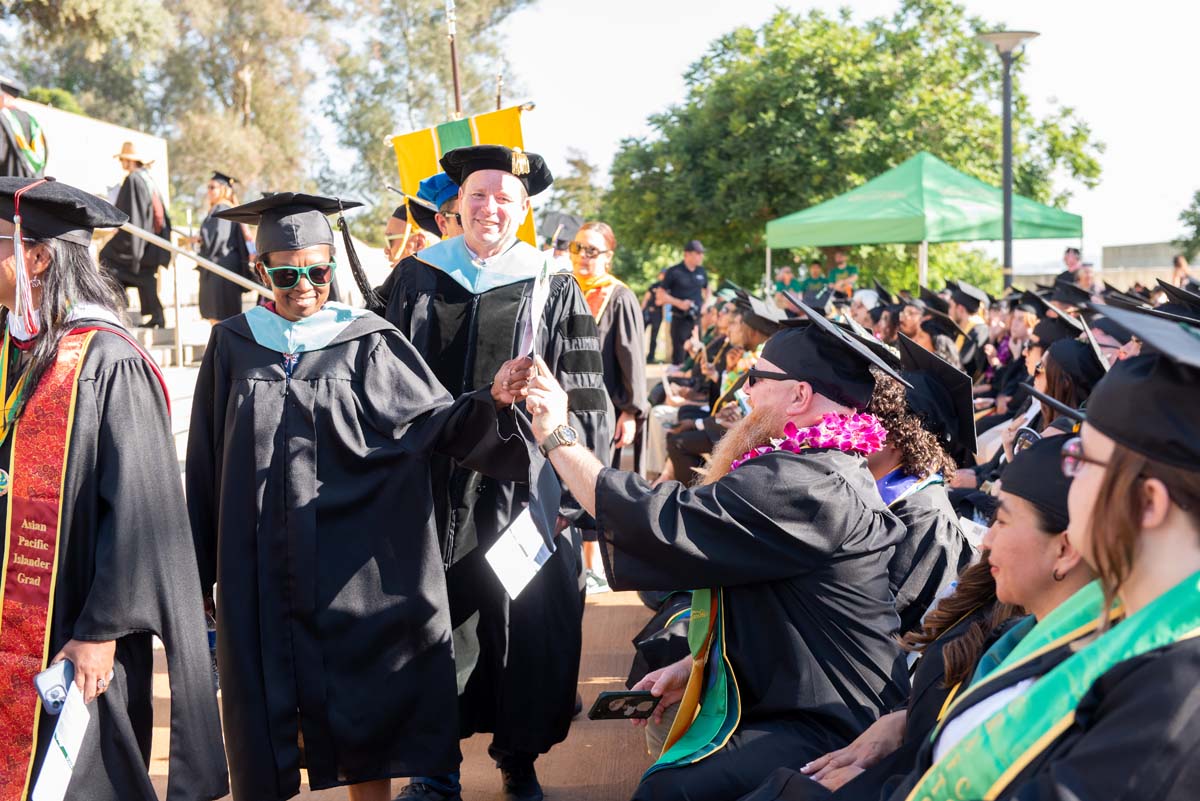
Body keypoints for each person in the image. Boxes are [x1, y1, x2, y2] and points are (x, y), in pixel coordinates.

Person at [188, 191, 536, 801]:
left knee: (361, 707)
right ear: (261, 271)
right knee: (259, 708)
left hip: (347, 567)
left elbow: (435, 424)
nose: (304, 286)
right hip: (258, 567)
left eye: (318, 272)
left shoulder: (366, 339)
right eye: (287, 272)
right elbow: (206, 462)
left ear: (332, 268)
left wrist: (492, 397)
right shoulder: (234, 343)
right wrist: (198, 570)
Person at [522, 306, 913, 801]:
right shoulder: (825, 467)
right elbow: (777, 602)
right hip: (801, 692)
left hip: (831, 722)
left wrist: (559, 437)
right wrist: (694, 665)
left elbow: (663, 519)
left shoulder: (808, 484)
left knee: (670, 792)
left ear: (799, 395)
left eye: (757, 377)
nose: (746, 391)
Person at [894, 306, 1200, 800]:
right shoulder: (1116, 616)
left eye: (1082, 460)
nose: (1065, 473)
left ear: (1147, 503)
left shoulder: (1174, 704)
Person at [385, 145, 611, 801]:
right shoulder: (417, 276)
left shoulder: (551, 282)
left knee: (525, 620)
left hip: (523, 484)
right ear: (455, 204)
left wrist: (578, 482)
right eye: (478, 195)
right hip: (432, 479)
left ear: (524, 209)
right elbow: (382, 382)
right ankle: (435, 768)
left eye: (505, 197)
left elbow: (587, 392)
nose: (490, 207)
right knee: (434, 621)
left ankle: (519, 758)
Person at [0, 177, 226, 800]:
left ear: (36, 257)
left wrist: (100, 630)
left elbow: (138, 512)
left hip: (74, 630)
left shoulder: (106, 360)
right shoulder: (14, 349)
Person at [742, 434, 1091, 801]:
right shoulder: (1003, 612)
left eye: (1002, 522)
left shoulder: (1072, 681)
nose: (986, 541)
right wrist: (903, 718)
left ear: (1065, 549)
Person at [866, 337, 974, 635]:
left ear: (901, 437)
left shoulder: (927, 519)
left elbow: (886, 618)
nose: (854, 427)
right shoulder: (872, 484)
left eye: (870, 419)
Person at [570, 220, 647, 591]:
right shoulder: (564, 288)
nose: (583, 257)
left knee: (595, 480)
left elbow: (631, 357)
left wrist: (630, 411)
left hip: (602, 410)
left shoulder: (618, 296)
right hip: (566, 406)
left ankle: (596, 565)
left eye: (592, 250)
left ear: (609, 256)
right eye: (578, 248)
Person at [98, 142, 172, 328]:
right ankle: (156, 316)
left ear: (130, 161)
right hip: (150, 242)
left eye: (123, 159)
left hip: (138, 240)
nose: (122, 162)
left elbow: (129, 212)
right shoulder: (148, 179)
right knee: (144, 276)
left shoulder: (133, 179)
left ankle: (120, 303)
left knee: (106, 257)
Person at [195, 171, 252, 323]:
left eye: (212, 187)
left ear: (224, 189)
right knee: (224, 318)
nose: (208, 191)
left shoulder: (222, 208)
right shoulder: (228, 208)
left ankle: (221, 347)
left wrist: (199, 241)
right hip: (224, 267)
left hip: (219, 269)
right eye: (208, 187)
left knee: (219, 318)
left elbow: (216, 239)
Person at [657, 240, 710, 365]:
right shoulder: (674, 271)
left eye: (702, 253)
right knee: (679, 358)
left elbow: (708, 289)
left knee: (697, 356)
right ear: (687, 254)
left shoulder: (701, 271)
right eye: (698, 253)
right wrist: (679, 303)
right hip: (680, 319)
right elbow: (660, 294)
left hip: (696, 320)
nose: (701, 256)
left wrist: (706, 304)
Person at [0, 75, 46, 178]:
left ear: (4, 97)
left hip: (5, 185)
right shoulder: (32, 121)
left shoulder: (2, 119)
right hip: (26, 185)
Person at [946, 280, 990, 379]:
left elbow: (963, 363)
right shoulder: (964, 329)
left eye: (951, 307)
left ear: (960, 309)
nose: (949, 312)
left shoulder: (979, 331)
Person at [642, 270, 667, 364]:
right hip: (648, 312)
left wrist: (664, 316)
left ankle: (651, 357)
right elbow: (646, 298)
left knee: (654, 336)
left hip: (658, 314)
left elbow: (663, 303)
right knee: (640, 333)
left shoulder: (666, 288)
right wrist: (641, 311)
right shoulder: (654, 286)